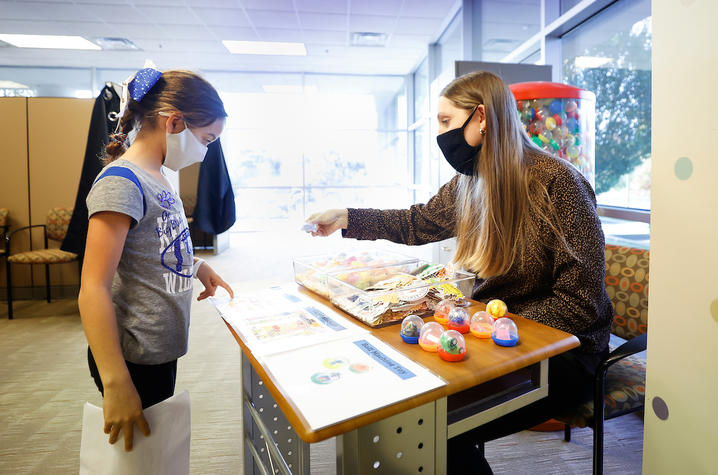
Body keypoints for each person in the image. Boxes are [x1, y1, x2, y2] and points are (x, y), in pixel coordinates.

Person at [308, 70, 613, 473]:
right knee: (410, 406)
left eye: (446, 121)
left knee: (431, 430)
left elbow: (581, 306)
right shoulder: (470, 182)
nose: (440, 133)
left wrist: (480, 321)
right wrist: (348, 217)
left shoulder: (559, 183)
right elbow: (418, 222)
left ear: (482, 118)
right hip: (502, 341)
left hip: (566, 356)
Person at [78, 68, 234, 452]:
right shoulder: (121, 182)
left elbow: (158, 245)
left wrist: (198, 268)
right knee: (139, 456)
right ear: (175, 122)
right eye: (206, 139)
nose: (207, 150)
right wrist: (116, 383)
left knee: (155, 451)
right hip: (133, 357)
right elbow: (92, 288)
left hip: (160, 347)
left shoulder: (159, 177)